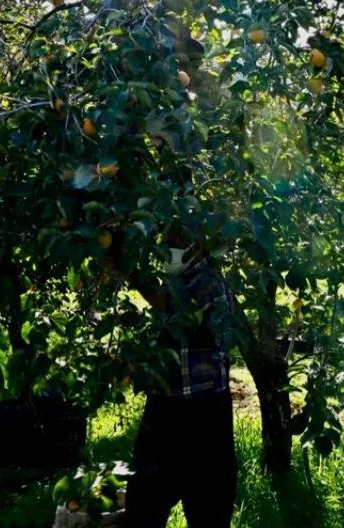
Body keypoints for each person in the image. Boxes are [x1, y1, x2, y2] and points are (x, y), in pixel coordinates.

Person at [125, 223, 237, 527]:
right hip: (166, 409)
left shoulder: (209, 282)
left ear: (198, 244)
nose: (169, 247)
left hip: (204, 413)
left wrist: (130, 270)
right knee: (144, 503)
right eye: (166, 240)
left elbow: (171, 305)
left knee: (208, 507)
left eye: (177, 241)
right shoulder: (175, 280)